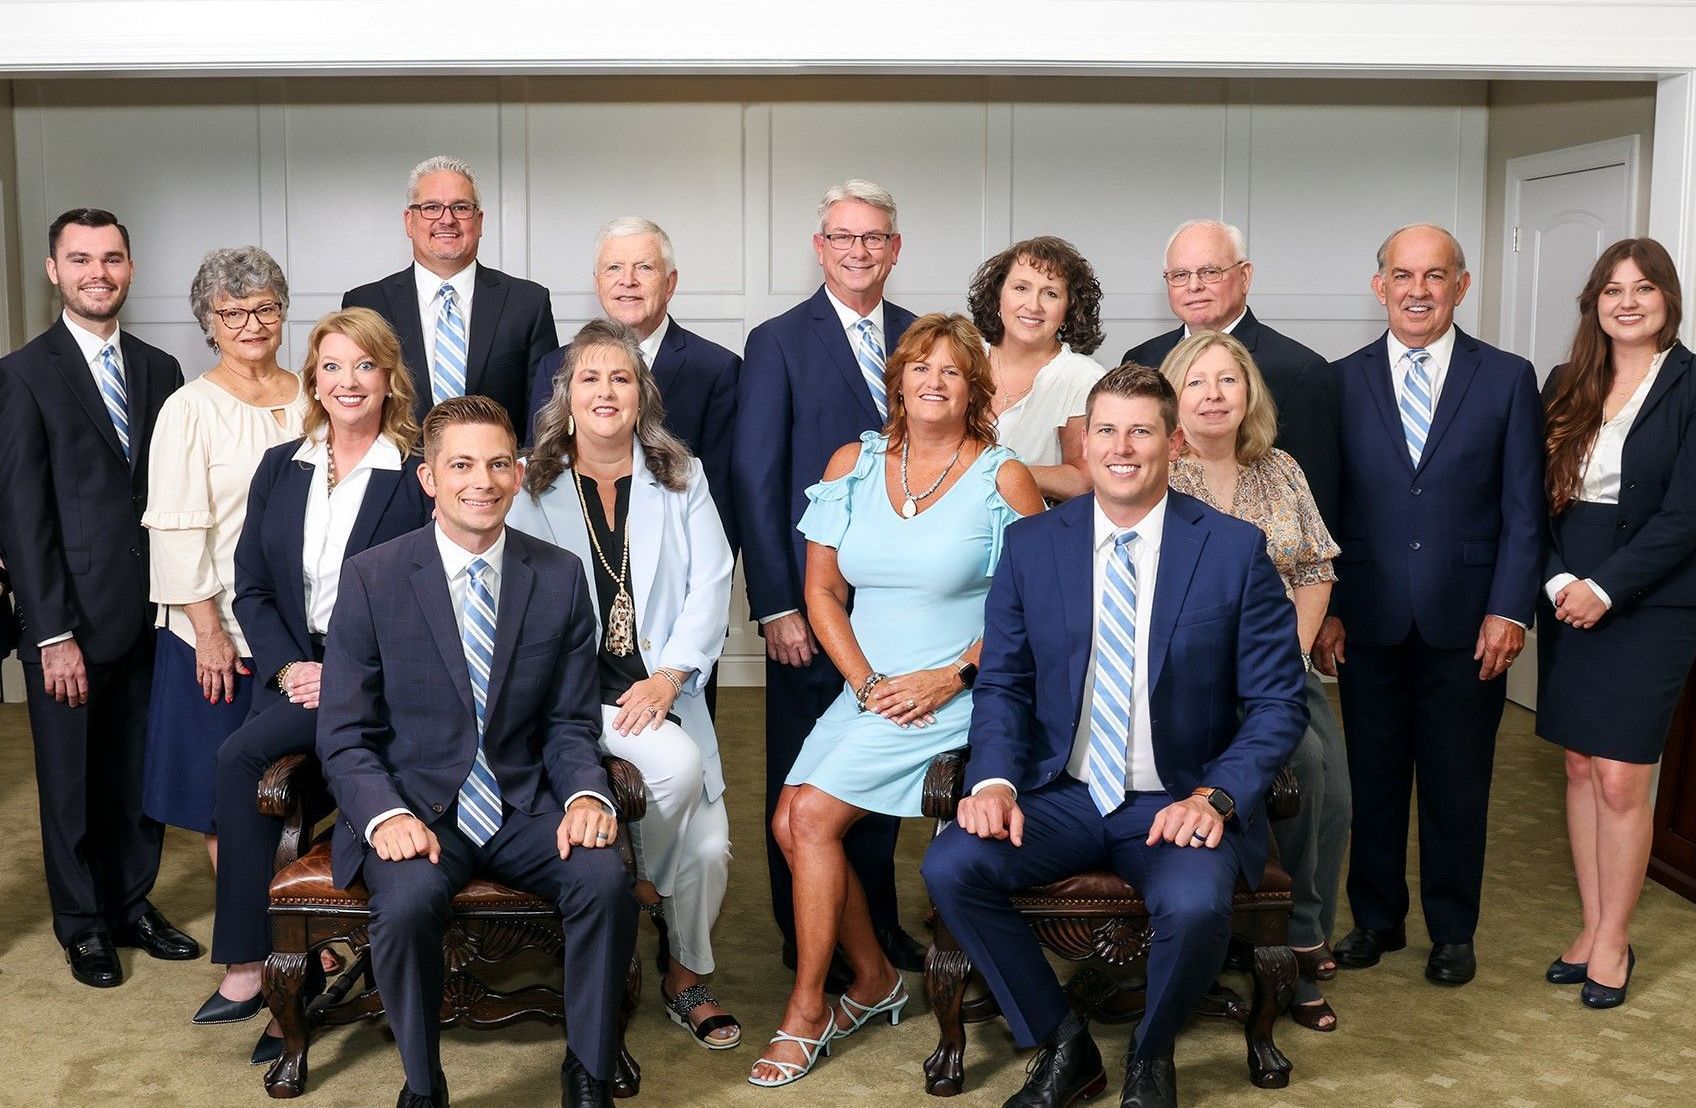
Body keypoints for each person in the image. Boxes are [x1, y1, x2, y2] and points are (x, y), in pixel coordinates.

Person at [922, 363, 1306, 1108]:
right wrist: (995, 779)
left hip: (1175, 798)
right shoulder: (1034, 546)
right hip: (1059, 795)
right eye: (1106, 430)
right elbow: (1005, 682)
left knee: (1195, 907)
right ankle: (1064, 1045)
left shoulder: (1231, 550)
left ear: (1173, 443)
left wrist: (1217, 799)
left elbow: (1276, 702)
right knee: (952, 865)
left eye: (1140, 430)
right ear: (1086, 445)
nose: (1122, 447)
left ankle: (1151, 1054)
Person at [315, 395, 637, 1108]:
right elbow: (343, 734)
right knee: (403, 906)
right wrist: (382, 816)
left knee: (604, 879)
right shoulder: (373, 578)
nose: (481, 481)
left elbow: (568, 720)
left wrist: (586, 792)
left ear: (519, 474)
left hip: (525, 800)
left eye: (498, 464)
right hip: (417, 806)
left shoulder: (556, 575)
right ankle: (423, 1088)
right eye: (460, 465)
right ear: (429, 478)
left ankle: (588, 1068)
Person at [750, 313, 1043, 1087]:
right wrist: (867, 684)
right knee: (790, 822)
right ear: (899, 381)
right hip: (869, 687)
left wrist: (954, 677)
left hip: (956, 691)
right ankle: (876, 978)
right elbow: (821, 590)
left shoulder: (1001, 476)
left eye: (951, 370)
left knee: (808, 819)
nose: (933, 382)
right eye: (920, 368)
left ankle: (808, 1007)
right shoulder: (855, 460)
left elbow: (1041, 606)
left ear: (974, 387)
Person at [193, 308, 433, 1064]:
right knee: (239, 761)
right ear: (314, 380)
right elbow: (252, 585)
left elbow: (435, 593)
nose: (347, 381)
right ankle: (250, 964)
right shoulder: (282, 465)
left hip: (385, 681)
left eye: (363, 365)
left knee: (311, 765)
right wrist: (287, 666)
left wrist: (345, 674)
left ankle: (307, 965)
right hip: (296, 671)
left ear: (389, 377)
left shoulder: (417, 472)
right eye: (332, 366)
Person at [1315, 224, 1543, 987]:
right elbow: (1328, 509)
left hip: (1469, 619)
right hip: (1368, 618)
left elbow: (1523, 509)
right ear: (1379, 287)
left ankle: (1453, 930)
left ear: (1461, 286)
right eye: (1403, 276)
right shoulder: (1339, 382)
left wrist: (1510, 609)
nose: (1418, 290)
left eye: (1435, 276)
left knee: (1457, 782)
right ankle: (1375, 920)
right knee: (1372, 780)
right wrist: (1330, 609)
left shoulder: (1508, 378)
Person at [509, 320, 740, 1049]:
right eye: (590, 378)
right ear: (565, 395)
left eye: (621, 378)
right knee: (675, 778)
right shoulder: (527, 480)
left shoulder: (683, 475)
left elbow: (712, 582)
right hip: (569, 698)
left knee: (712, 851)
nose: (606, 391)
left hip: (661, 689)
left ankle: (685, 973)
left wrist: (671, 675)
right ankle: (649, 891)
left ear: (642, 394)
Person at [732, 178, 927, 977]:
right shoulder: (777, 339)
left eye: (873, 237)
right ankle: (802, 931)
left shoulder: (924, 336)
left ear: (894, 248)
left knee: (878, 765)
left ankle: (876, 929)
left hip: (902, 600)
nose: (858, 250)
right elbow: (755, 473)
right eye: (843, 237)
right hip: (811, 603)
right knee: (804, 768)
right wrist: (776, 604)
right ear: (820, 248)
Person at [0, 208, 196, 987]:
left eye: (111, 258)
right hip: (70, 620)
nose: (97, 273)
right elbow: (21, 514)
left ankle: (131, 905)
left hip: (152, 612)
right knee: (72, 780)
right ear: (54, 270)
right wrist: (50, 633)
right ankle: (82, 923)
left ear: (130, 268)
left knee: (136, 774)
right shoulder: (21, 374)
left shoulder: (159, 369)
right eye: (80, 259)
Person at [1161, 331, 1348, 1031]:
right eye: (1197, 381)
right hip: (1190, 674)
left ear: (1249, 395)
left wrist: (1286, 663)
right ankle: (1283, 939)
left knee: (1330, 790)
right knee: (1294, 763)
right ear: (1173, 398)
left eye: (1227, 381)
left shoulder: (1281, 469)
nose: (1213, 394)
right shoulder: (1158, 470)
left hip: (1279, 664)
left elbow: (1314, 571)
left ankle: (1299, 931)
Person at [1537, 238, 1696, 1009]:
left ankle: (1615, 939)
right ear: (1594, 302)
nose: (1626, 302)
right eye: (1610, 289)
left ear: (1668, 299)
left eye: (1643, 289)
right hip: (1572, 585)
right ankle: (1593, 921)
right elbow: (1535, 495)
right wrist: (1562, 577)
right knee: (1577, 767)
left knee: (1622, 773)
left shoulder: (1695, 386)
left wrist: (1608, 585)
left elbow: (1686, 515)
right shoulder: (1566, 382)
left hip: (1655, 598)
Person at [142, 247, 308, 858]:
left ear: (284, 312)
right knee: (229, 803)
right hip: (219, 634)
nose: (251, 326)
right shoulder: (189, 410)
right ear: (208, 322)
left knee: (298, 792)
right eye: (232, 313)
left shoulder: (315, 400)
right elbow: (177, 532)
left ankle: (295, 928)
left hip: (301, 629)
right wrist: (208, 633)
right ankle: (260, 944)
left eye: (265, 309)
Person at [526, 218, 740, 549]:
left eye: (644, 268)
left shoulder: (717, 368)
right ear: (598, 283)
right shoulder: (555, 366)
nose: (628, 281)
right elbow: (541, 474)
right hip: (575, 555)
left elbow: (724, 496)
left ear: (670, 283)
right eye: (614, 268)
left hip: (676, 561)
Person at [1123, 219, 1341, 529]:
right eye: (1180, 275)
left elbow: (1315, 512)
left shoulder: (1300, 370)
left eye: (1210, 272)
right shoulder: (1141, 361)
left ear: (1245, 276)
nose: (1194, 286)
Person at [343, 155, 558, 437]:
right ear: (409, 222)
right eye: (431, 207)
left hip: (495, 476)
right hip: (395, 474)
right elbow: (352, 406)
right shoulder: (366, 305)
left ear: (479, 222)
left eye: (460, 207)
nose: (447, 219)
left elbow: (544, 415)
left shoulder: (528, 303)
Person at [966, 235, 1105, 501]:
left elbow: (1084, 479)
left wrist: (1003, 474)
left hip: (1034, 530)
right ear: (998, 297)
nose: (1033, 305)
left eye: (1050, 293)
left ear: (1068, 311)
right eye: (1021, 288)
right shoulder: (964, 357)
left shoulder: (1083, 378)